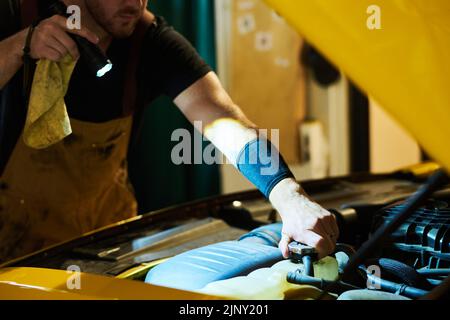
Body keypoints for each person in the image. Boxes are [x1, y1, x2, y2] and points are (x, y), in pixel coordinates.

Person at [0, 0, 339, 263]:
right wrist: (19, 47)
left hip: (100, 245)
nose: (137, 2)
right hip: (11, 248)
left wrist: (287, 195)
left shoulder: (148, 41)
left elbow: (224, 120)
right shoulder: (16, 15)